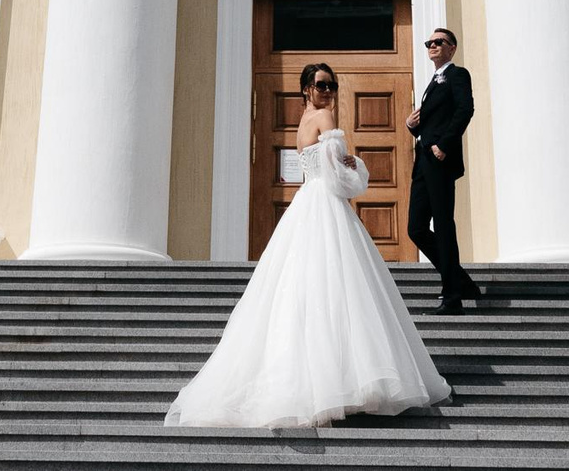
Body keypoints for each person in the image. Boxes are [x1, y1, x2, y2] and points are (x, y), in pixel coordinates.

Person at [165, 62, 451, 429]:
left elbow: (315, 168)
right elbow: (342, 182)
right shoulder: (326, 118)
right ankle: (345, 384)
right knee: (339, 291)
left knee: (302, 291)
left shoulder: (301, 123)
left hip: (305, 203)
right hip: (326, 205)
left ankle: (316, 385)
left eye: (332, 85)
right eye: (321, 85)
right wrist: (357, 168)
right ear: (306, 89)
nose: (328, 91)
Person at [405, 27, 482, 311]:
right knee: (416, 228)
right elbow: (432, 121)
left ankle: (452, 296)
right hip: (423, 162)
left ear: (452, 48)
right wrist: (412, 127)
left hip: (439, 159)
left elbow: (465, 110)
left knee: (444, 225)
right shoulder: (433, 83)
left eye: (439, 42)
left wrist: (444, 145)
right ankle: (462, 281)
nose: (433, 46)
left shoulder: (457, 75)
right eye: (430, 43)